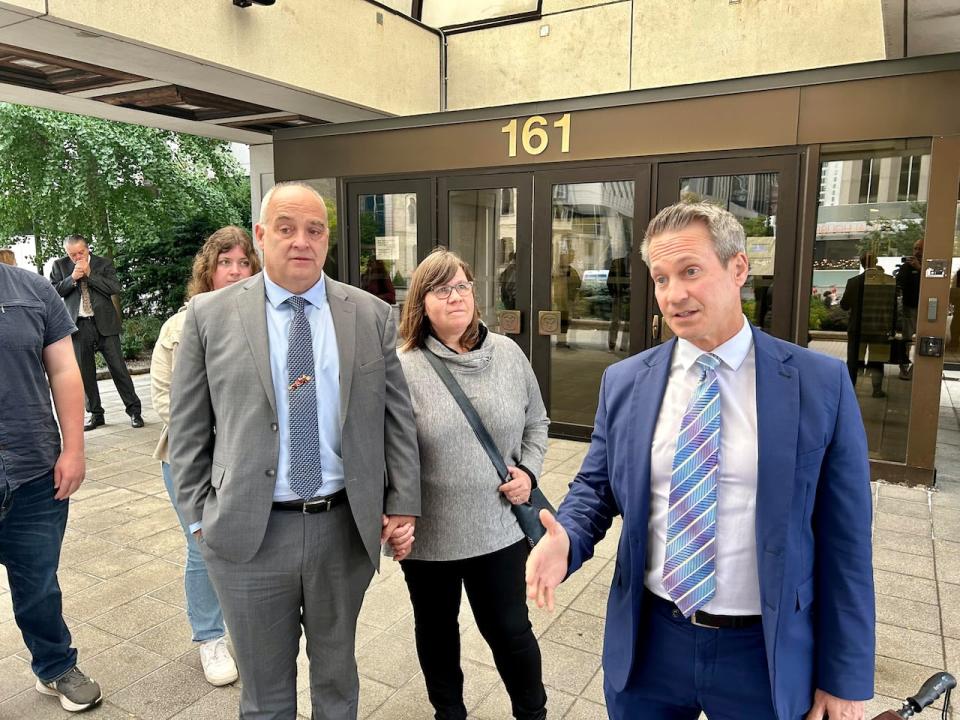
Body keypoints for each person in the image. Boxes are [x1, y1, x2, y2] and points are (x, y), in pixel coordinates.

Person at [526, 202, 874, 720]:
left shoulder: (816, 384)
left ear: (738, 269)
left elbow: (847, 541)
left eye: (691, 271)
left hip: (764, 653)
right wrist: (568, 539)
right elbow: (597, 488)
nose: (674, 294)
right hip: (650, 645)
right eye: (661, 278)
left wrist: (843, 679)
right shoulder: (626, 382)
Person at [168, 182, 420, 719]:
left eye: (314, 230)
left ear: (328, 240)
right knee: (264, 696)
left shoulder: (370, 315)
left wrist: (402, 502)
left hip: (341, 532)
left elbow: (396, 419)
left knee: (337, 681)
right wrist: (199, 521)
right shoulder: (209, 316)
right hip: (247, 536)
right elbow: (188, 431)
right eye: (285, 228)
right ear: (261, 236)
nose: (300, 241)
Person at [392, 248, 549, 720]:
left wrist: (529, 472)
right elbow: (386, 450)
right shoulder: (402, 366)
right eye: (441, 289)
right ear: (422, 302)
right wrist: (392, 514)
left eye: (462, 285)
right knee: (437, 634)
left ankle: (533, 713)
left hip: (498, 529)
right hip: (430, 537)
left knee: (510, 630)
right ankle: (450, 713)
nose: (455, 296)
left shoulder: (508, 354)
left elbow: (537, 423)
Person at [150, 226, 261, 686]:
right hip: (191, 461)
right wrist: (217, 442)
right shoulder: (181, 325)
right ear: (208, 270)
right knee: (204, 548)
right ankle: (210, 637)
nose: (235, 271)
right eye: (225, 263)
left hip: (250, 460)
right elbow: (165, 401)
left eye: (243, 262)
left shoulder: (267, 320)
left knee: (250, 545)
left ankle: (249, 626)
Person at [0, 262, 102, 712]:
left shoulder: (33, 290)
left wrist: (74, 449)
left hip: (32, 471)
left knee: (39, 584)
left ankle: (56, 666)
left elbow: (64, 370)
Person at [49, 235, 144, 430]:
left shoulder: (103, 263)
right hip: (78, 326)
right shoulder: (59, 266)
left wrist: (90, 274)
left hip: (105, 324)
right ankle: (95, 414)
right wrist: (72, 278)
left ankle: (134, 411)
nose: (77, 257)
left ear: (88, 249)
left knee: (119, 369)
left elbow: (114, 288)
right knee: (86, 374)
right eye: (72, 254)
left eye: (80, 253)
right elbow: (52, 292)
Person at [840, 251, 896, 399]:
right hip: (879, 328)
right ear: (876, 262)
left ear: (862, 263)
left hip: (857, 328)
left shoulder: (853, 282)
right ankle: (877, 390)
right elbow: (893, 307)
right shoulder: (887, 281)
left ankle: (850, 390)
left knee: (853, 360)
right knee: (876, 360)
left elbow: (844, 305)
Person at [895, 238, 923, 380]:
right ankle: (904, 367)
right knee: (906, 338)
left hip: (925, 309)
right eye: (915, 248)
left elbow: (933, 283)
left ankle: (919, 368)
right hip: (909, 307)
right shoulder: (907, 266)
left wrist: (920, 268)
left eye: (920, 249)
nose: (917, 252)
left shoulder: (928, 267)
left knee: (922, 338)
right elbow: (899, 284)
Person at [552, 249, 581, 348]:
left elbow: (577, 283)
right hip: (559, 301)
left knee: (565, 322)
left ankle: (562, 341)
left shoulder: (571, 270)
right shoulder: (556, 270)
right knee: (560, 322)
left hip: (566, 300)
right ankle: (560, 341)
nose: (571, 259)